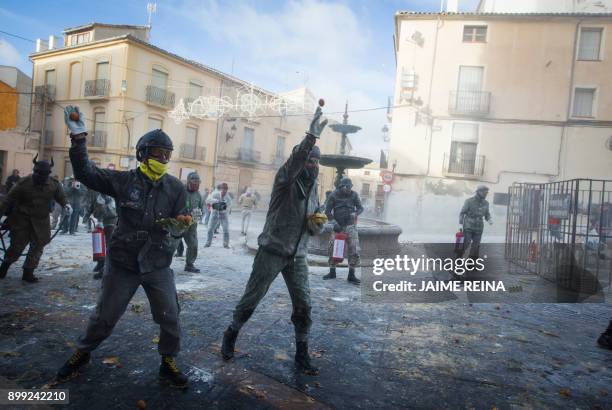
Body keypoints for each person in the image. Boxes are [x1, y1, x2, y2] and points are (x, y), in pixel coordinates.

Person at [56, 106, 190, 388]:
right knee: (105, 316)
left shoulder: (176, 188)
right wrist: (79, 138)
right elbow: (86, 172)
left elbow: (184, 218)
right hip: (123, 263)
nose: (163, 159)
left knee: (170, 316)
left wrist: (180, 227)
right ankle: (83, 352)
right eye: (158, 153)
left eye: (167, 155)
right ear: (142, 154)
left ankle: (168, 362)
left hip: (157, 264)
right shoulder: (123, 181)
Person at [220, 106, 328, 375]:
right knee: (251, 300)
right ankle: (231, 334)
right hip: (272, 251)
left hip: (298, 256)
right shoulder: (285, 180)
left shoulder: (314, 189)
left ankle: (302, 354)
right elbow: (295, 161)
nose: (312, 165)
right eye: (309, 161)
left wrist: (317, 224)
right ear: (301, 161)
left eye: (316, 162)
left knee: (304, 306)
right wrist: (310, 138)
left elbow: (314, 218)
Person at [0, 156, 68, 282]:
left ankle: (28, 272)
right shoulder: (23, 183)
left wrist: (66, 205)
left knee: (38, 246)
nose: (41, 176)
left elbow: (61, 197)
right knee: (17, 246)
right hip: (22, 220)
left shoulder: (54, 184)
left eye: (44, 174)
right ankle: (4, 267)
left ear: (48, 173)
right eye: (38, 173)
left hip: (41, 221)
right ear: (34, 170)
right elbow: (7, 200)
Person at [323, 177, 364, 285]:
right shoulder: (333, 195)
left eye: (350, 187)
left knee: (354, 249)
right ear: (341, 186)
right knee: (333, 248)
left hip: (351, 226)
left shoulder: (354, 195)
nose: (349, 189)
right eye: (347, 187)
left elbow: (360, 208)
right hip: (338, 226)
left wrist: (356, 213)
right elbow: (327, 211)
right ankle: (332, 271)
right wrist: (334, 222)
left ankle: (351, 274)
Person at [83, 189, 117, 279]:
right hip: (101, 219)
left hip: (112, 218)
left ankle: (107, 269)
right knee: (99, 244)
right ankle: (101, 262)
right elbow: (91, 202)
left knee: (110, 244)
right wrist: (87, 215)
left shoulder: (113, 185)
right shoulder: (95, 189)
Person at [459, 185, 492, 259]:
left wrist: (489, 219)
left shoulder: (486, 203)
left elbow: (487, 214)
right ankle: (461, 259)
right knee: (466, 243)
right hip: (468, 226)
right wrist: (460, 224)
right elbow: (462, 213)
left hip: (479, 227)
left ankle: (472, 262)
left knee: (476, 245)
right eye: (484, 192)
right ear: (478, 192)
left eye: (486, 193)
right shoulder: (469, 201)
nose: (485, 194)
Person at [182, 172, 204, 273]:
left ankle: (189, 264)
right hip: (179, 223)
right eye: (194, 183)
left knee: (193, 245)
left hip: (191, 226)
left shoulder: (198, 195)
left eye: (197, 183)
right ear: (188, 182)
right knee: (171, 246)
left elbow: (201, 210)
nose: (196, 185)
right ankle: (164, 267)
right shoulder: (180, 191)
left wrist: (194, 218)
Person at [205, 182, 232, 248]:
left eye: (225, 190)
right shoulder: (215, 194)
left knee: (226, 229)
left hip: (223, 215)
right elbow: (207, 200)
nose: (224, 191)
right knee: (210, 229)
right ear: (221, 189)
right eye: (223, 190)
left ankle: (226, 244)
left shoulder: (228, 198)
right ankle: (208, 243)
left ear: (227, 190)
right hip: (214, 213)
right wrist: (216, 201)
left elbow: (229, 206)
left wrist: (224, 207)